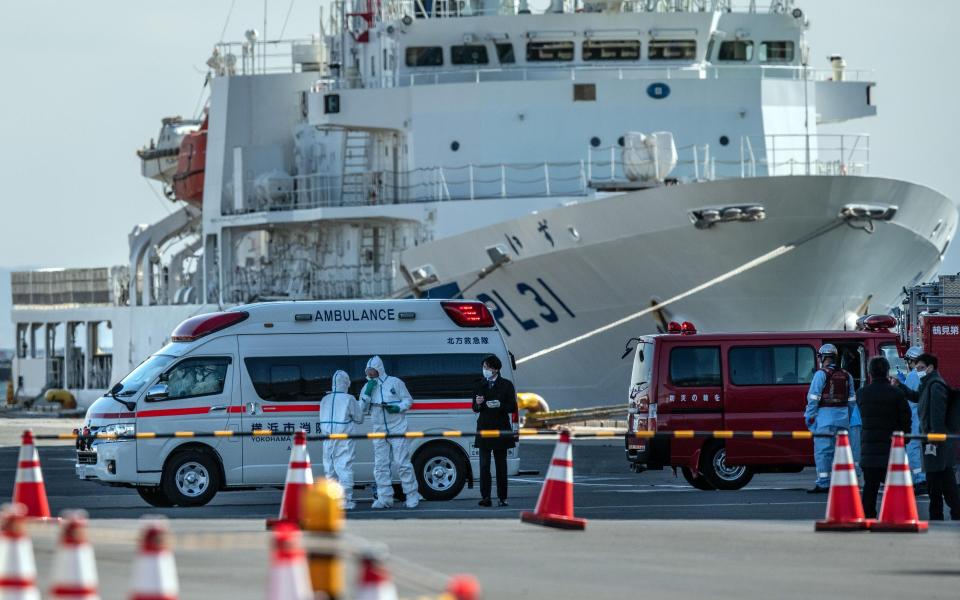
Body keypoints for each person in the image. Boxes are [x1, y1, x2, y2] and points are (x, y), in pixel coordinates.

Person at [893, 353, 960, 520]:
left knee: (937, 481)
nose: (918, 371)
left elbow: (937, 414)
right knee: (942, 479)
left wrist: (933, 440)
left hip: (936, 442)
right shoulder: (927, 383)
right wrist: (901, 386)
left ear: (930, 367)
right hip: (934, 441)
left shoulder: (936, 386)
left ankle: (940, 514)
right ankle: (950, 512)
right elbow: (916, 398)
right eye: (916, 368)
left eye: (921, 368)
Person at [360, 355, 421, 509]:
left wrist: (398, 408)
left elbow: (408, 400)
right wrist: (367, 394)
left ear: (379, 369)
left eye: (372, 371)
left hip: (398, 428)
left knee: (402, 463)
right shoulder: (367, 387)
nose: (370, 374)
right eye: (368, 371)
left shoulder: (395, 382)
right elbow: (361, 410)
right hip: (379, 429)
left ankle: (412, 495)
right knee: (380, 465)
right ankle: (384, 498)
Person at [858, 356, 911, 519]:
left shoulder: (862, 393)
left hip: (869, 449)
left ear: (870, 372)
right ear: (887, 371)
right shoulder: (896, 393)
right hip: (892, 449)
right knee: (895, 486)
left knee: (870, 488)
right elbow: (906, 418)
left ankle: (868, 517)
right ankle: (895, 515)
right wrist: (905, 438)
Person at [804, 344, 856, 493]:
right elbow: (852, 401)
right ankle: (842, 482)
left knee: (823, 452)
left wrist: (809, 417)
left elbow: (813, 398)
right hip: (843, 418)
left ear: (823, 358)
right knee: (841, 452)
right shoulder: (847, 375)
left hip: (825, 418)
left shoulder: (821, 375)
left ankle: (823, 482)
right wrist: (848, 418)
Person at [472, 355, 518, 507]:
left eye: (488, 367)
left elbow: (512, 407)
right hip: (484, 428)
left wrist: (499, 404)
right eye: (484, 367)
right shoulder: (480, 384)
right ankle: (486, 497)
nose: (485, 370)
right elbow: (474, 407)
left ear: (496, 369)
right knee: (484, 465)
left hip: (500, 429)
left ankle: (502, 497)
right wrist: (478, 404)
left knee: (501, 466)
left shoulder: (506, 385)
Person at [319, 370, 364, 510]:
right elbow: (359, 418)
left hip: (327, 437)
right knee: (344, 467)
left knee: (329, 469)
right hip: (344, 437)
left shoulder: (325, 399)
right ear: (346, 383)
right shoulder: (349, 399)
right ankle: (345, 500)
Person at [901, 346, 927, 494]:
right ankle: (925, 477)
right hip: (925, 416)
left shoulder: (912, 375)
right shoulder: (928, 374)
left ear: (912, 360)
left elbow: (906, 396)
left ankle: (919, 479)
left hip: (914, 417)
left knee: (913, 448)